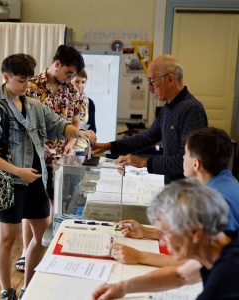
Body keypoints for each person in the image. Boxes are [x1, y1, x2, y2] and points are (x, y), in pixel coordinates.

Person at [0, 53, 96, 300]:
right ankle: (6, 291)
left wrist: (81, 133)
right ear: (6, 77)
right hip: (11, 184)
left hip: (36, 182)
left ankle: (28, 287)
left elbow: (59, 125)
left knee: (43, 237)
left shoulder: (33, 105)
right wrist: (18, 171)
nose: (26, 86)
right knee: (7, 239)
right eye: (21, 81)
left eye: (28, 81)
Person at [109, 127, 239, 267]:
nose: (182, 157)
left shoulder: (215, 201)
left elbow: (199, 262)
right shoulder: (224, 180)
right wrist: (146, 231)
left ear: (196, 164)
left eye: (186, 154)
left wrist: (140, 256)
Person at [92, 178, 239, 300]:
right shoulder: (220, 242)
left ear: (195, 232)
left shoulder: (224, 281)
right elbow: (180, 275)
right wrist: (123, 287)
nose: (161, 242)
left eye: (166, 234)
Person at [15, 45, 86, 273]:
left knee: (56, 206)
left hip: (62, 159)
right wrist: (38, 144)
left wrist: (71, 143)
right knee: (33, 208)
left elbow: (76, 122)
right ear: (57, 64)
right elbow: (21, 122)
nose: (71, 78)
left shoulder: (71, 90)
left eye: (74, 74)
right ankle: (27, 252)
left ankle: (48, 251)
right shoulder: (31, 86)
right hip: (35, 158)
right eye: (68, 72)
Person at [92, 54, 208, 184]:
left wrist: (142, 162)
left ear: (170, 79)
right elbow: (147, 137)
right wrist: (111, 146)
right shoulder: (168, 108)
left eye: (152, 81)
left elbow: (186, 161)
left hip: (188, 191)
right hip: (173, 187)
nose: (150, 88)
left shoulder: (192, 109)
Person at [71, 69, 96, 156]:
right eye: (76, 81)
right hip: (66, 147)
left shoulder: (89, 102)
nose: (80, 85)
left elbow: (92, 127)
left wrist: (90, 145)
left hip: (82, 148)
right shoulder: (65, 101)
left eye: (83, 82)